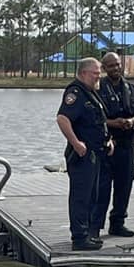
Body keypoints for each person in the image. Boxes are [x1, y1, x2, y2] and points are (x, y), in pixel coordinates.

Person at [55, 57, 110, 251]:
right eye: (95, 72)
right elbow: (62, 118)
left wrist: (107, 140)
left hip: (96, 153)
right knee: (81, 196)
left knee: (92, 196)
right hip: (82, 156)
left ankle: (86, 233)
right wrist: (76, 143)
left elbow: (97, 121)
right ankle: (79, 237)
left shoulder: (91, 93)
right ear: (84, 73)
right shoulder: (76, 93)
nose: (99, 76)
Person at [96, 52, 134, 237]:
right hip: (107, 145)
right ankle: (95, 226)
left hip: (127, 143)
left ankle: (118, 223)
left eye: (117, 64)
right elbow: (94, 118)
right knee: (102, 187)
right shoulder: (98, 89)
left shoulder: (132, 89)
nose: (115, 68)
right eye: (111, 66)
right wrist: (113, 123)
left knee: (125, 185)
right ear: (104, 68)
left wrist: (132, 121)